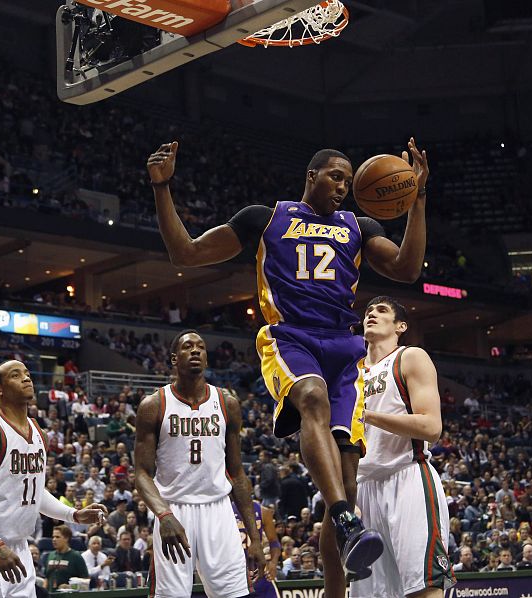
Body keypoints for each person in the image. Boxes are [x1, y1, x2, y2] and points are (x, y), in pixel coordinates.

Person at [148, 136, 429, 594]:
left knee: (348, 481)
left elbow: (407, 267)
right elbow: (188, 252)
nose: (341, 185)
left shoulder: (359, 225)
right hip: (291, 336)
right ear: (310, 176)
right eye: (334, 176)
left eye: (347, 178)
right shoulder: (266, 217)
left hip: (344, 345)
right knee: (311, 398)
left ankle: (341, 541)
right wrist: (162, 188)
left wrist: (417, 199)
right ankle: (342, 517)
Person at [0, 360, 107, 598]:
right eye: (16, 375)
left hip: (18, 545)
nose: (27, 378)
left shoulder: (38, 432)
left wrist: (72, 514)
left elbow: (34, 492)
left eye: (28, 374)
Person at [135, 330, 265, 598]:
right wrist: (164, 515)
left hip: (218, 511)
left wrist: (255, 538)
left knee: (236, 594)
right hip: (174, 510)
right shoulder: (153, 405)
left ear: (206, 358)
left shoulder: (227, 403)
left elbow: (237, 473)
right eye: (187, 347)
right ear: (174, 358)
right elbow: (142, 474)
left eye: (201, 347)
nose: (195, 351)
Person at [350, 297, 454, 598]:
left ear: (401, 326)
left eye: (381, 311)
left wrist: (367, 415)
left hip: (407, 476)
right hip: (363, 487)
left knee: (422, 586)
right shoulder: (350, 371)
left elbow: (432, 427)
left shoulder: (409, 357)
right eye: (368, 311)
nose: (371, 314)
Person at [232, 499, 282, 598]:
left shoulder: (263, 511)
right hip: (236, 573)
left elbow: (274, 542)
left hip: (259, 571)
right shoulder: (226, 511)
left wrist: (273, 563)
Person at [45, 524, 89, 591]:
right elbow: (46, 578)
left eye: (57, 537)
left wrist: (70, 586)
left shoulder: (76, 556)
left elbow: (86, 581)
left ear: (66, 538)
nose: (54, 539)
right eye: (53, 537)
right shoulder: (50, 555)